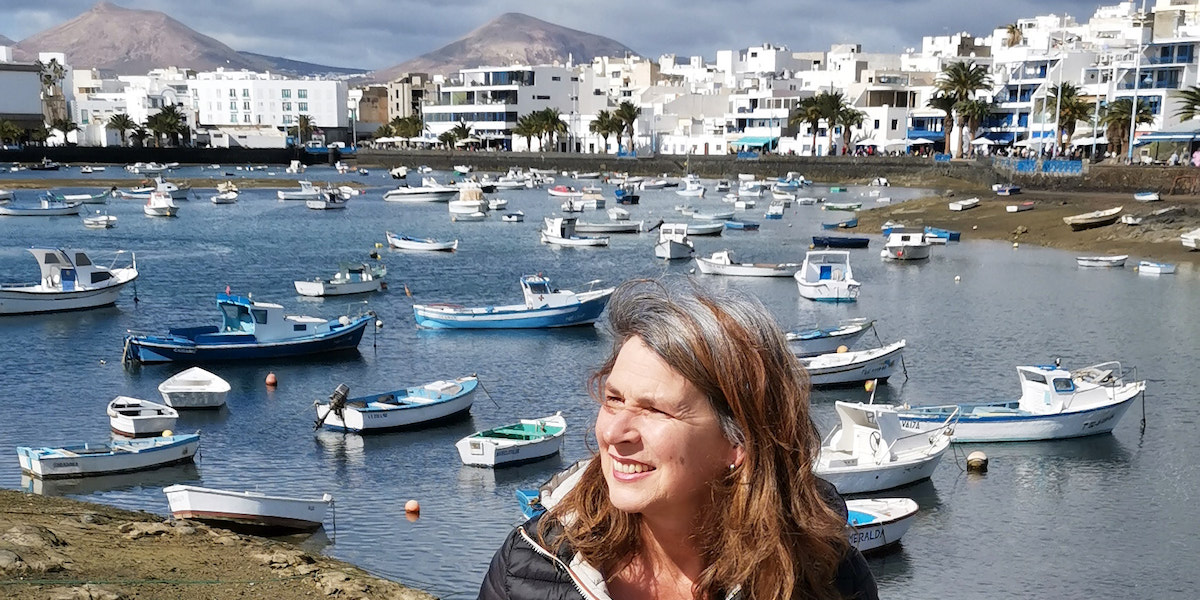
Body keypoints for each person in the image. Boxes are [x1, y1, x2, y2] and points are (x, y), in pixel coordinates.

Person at [479, 280, 878, 600]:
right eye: (614, 399)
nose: (614, 434)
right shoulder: (528, 568)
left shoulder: (826, 577)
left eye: (655, 410)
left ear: (738, 442)